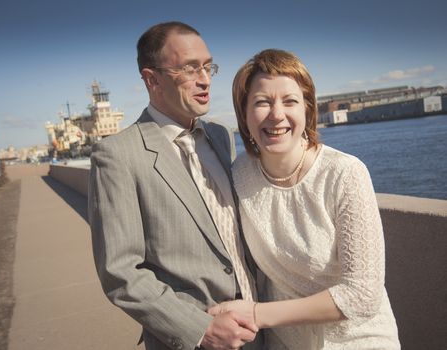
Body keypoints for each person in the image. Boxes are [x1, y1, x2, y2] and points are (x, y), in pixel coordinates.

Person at [209, 49, 400, 349]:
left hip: (358, 341)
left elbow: (363, 294)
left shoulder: (345, 174)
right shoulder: (239, 175)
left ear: (308, 110)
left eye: (290, 101)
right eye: (261, 102)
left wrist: (258, 314)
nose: (277, 114)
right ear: (244, 116)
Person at [88, 22, 260, 350]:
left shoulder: (221, 136)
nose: (205, 79)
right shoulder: (117, 154)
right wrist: (201, 330)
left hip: (257, 328)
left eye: (208, 66)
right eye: (189, 68)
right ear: (152, 79)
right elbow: (120, 272)